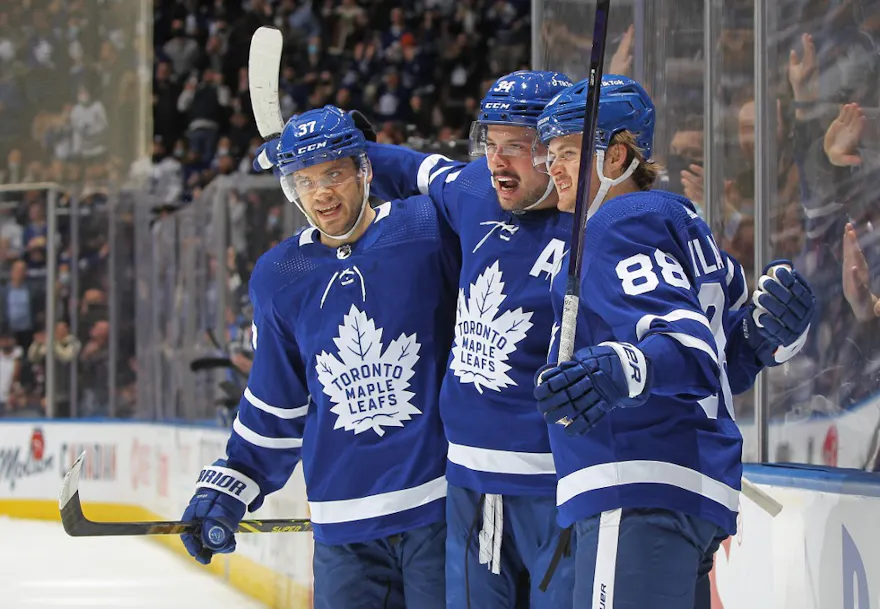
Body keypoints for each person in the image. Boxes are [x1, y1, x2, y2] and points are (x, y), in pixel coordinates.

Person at [256, 70, 580, 608]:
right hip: (470, 486)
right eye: (490, 143)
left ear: (560, 148)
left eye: (517, 146)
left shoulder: (596, 227)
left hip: (552, 481)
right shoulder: (475, 190)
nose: (497, 160)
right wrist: (319, 151)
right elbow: (410, 167)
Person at [531, 75, 816, 608]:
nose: (553, 168)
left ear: (616, 157)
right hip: (689, 491)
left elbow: (683, 347)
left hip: (636, 484)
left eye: (569, 152)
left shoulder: (617, 222)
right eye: (550, 154)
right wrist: (766, 337)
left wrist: (624, 367)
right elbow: (720, 360)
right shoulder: (685, 226)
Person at [180, 105, 460, 609]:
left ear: (364, 169)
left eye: (333, 173)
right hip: (341, 525)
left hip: (438, 511)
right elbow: (275, 400)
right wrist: (232, 483)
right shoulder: (279, 274)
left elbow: (481, 195)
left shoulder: (427, 228)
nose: (321, 193)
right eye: (304, 181)